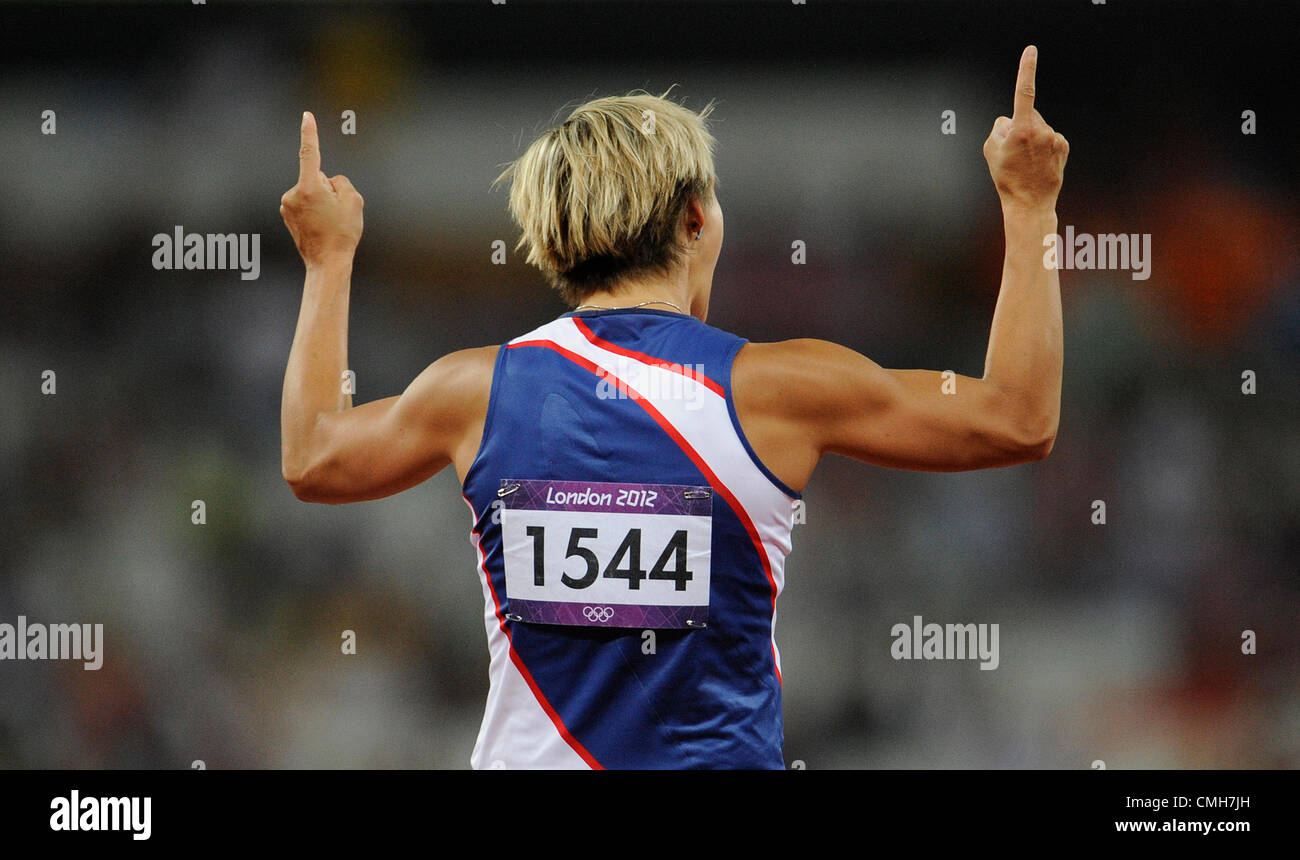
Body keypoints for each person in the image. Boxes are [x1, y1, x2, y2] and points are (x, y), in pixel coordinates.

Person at [278, 45, 1067, 769]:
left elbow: (314, 456)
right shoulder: (779, 389)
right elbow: (1019, 417)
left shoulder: (472, 391)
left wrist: (327, 262)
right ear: (695, 219)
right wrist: (1029, 205)